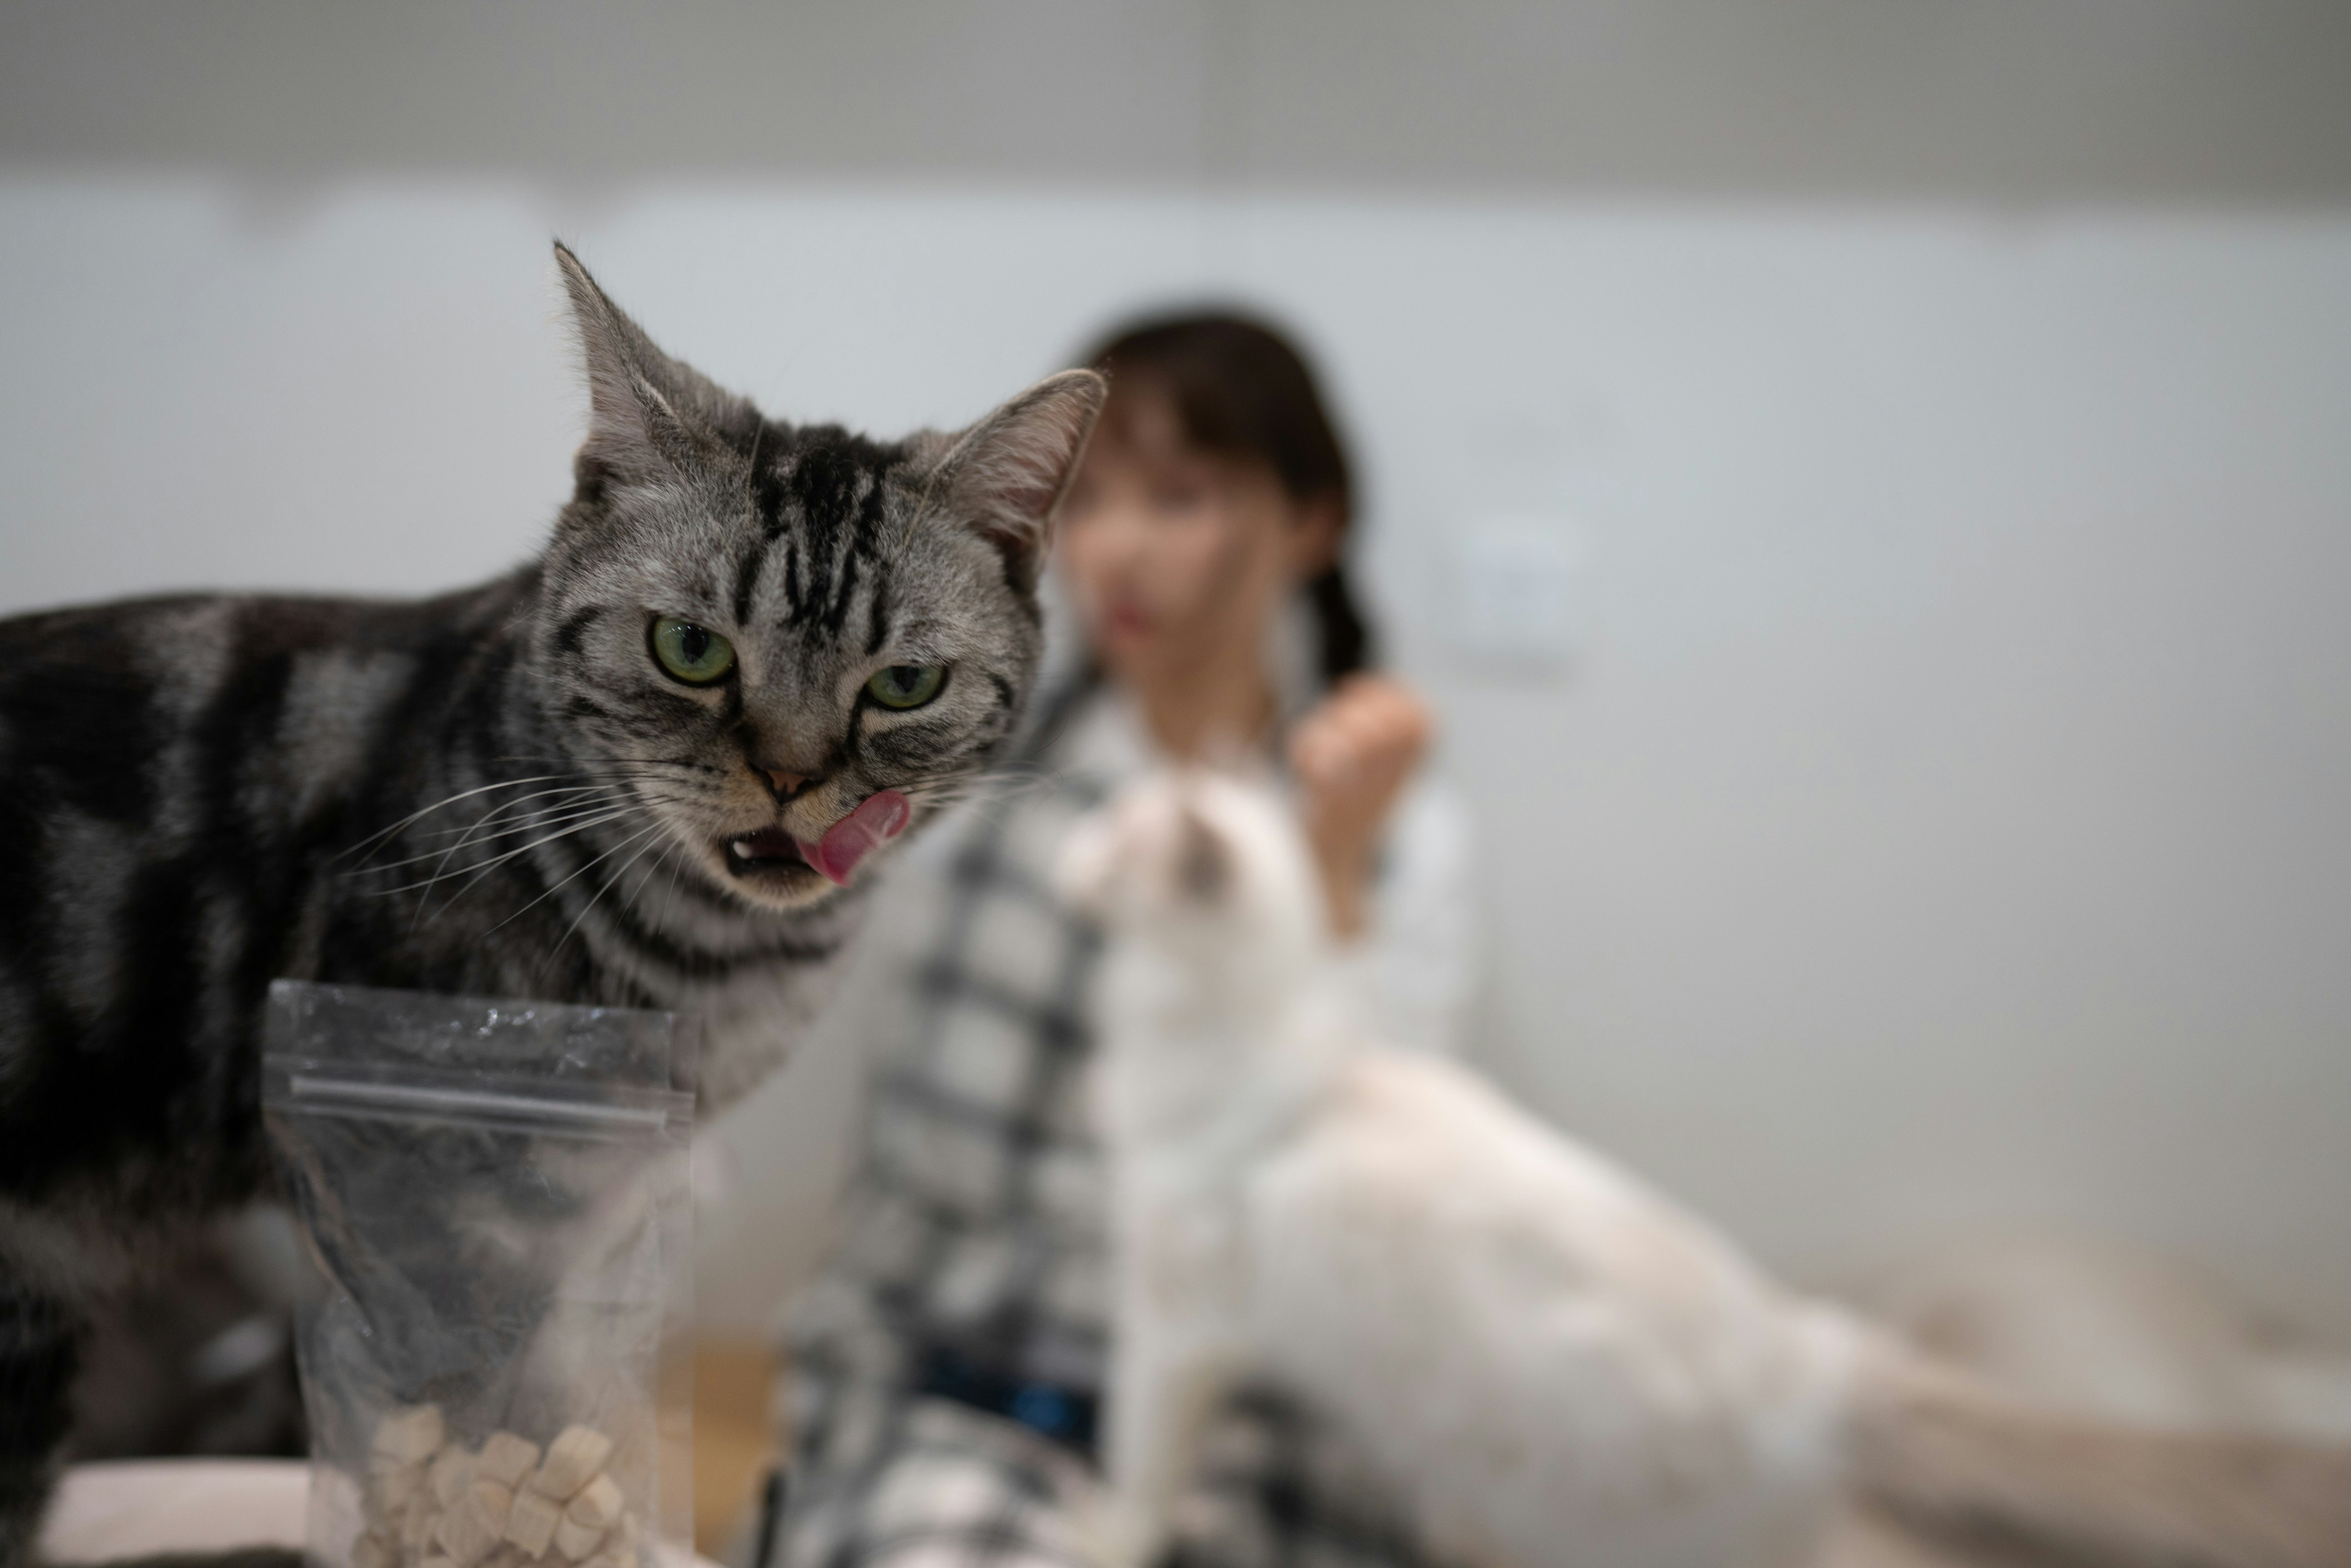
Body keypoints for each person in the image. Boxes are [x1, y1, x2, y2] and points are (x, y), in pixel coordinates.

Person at [774, 313, 1475, 1568]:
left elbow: (1381, 1162)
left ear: (1312, 523)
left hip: (1247, 1420)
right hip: (963, 1384)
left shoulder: (1391, 828)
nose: (1115, 550)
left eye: (1179, 497)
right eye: (1086, 501)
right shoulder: (966, 767)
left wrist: (1331, 869)